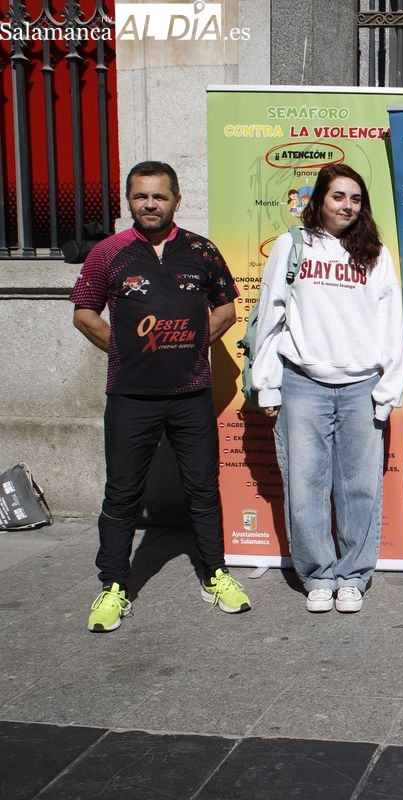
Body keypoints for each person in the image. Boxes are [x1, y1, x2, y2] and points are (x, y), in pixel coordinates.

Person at [71, 160, 251, 632]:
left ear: (176, 199)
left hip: (191, 393)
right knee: (122, 492)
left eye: (159, 196)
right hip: (130, 396)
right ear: (128, 200)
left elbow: (227, 307)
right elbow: (85, 314)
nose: (149, 204)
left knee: (202, 488)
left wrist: (191, 344)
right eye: (140, 196)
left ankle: (215, 574)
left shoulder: (201, 250)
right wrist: (128, 349)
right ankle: (113, 585)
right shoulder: (108, 252)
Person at [252, 164, 403, 614]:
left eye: (356, 199)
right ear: (319, 199)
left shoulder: (376, 253)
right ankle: (318, 575)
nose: (347, 206)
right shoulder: (292, 246)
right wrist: (268, 387)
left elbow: (389, 323)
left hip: (362, 385)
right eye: (338, 196)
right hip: (303, 384)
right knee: (305, 486)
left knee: (360, 488)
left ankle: (353, 576)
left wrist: (388, 388)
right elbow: (270, 315)